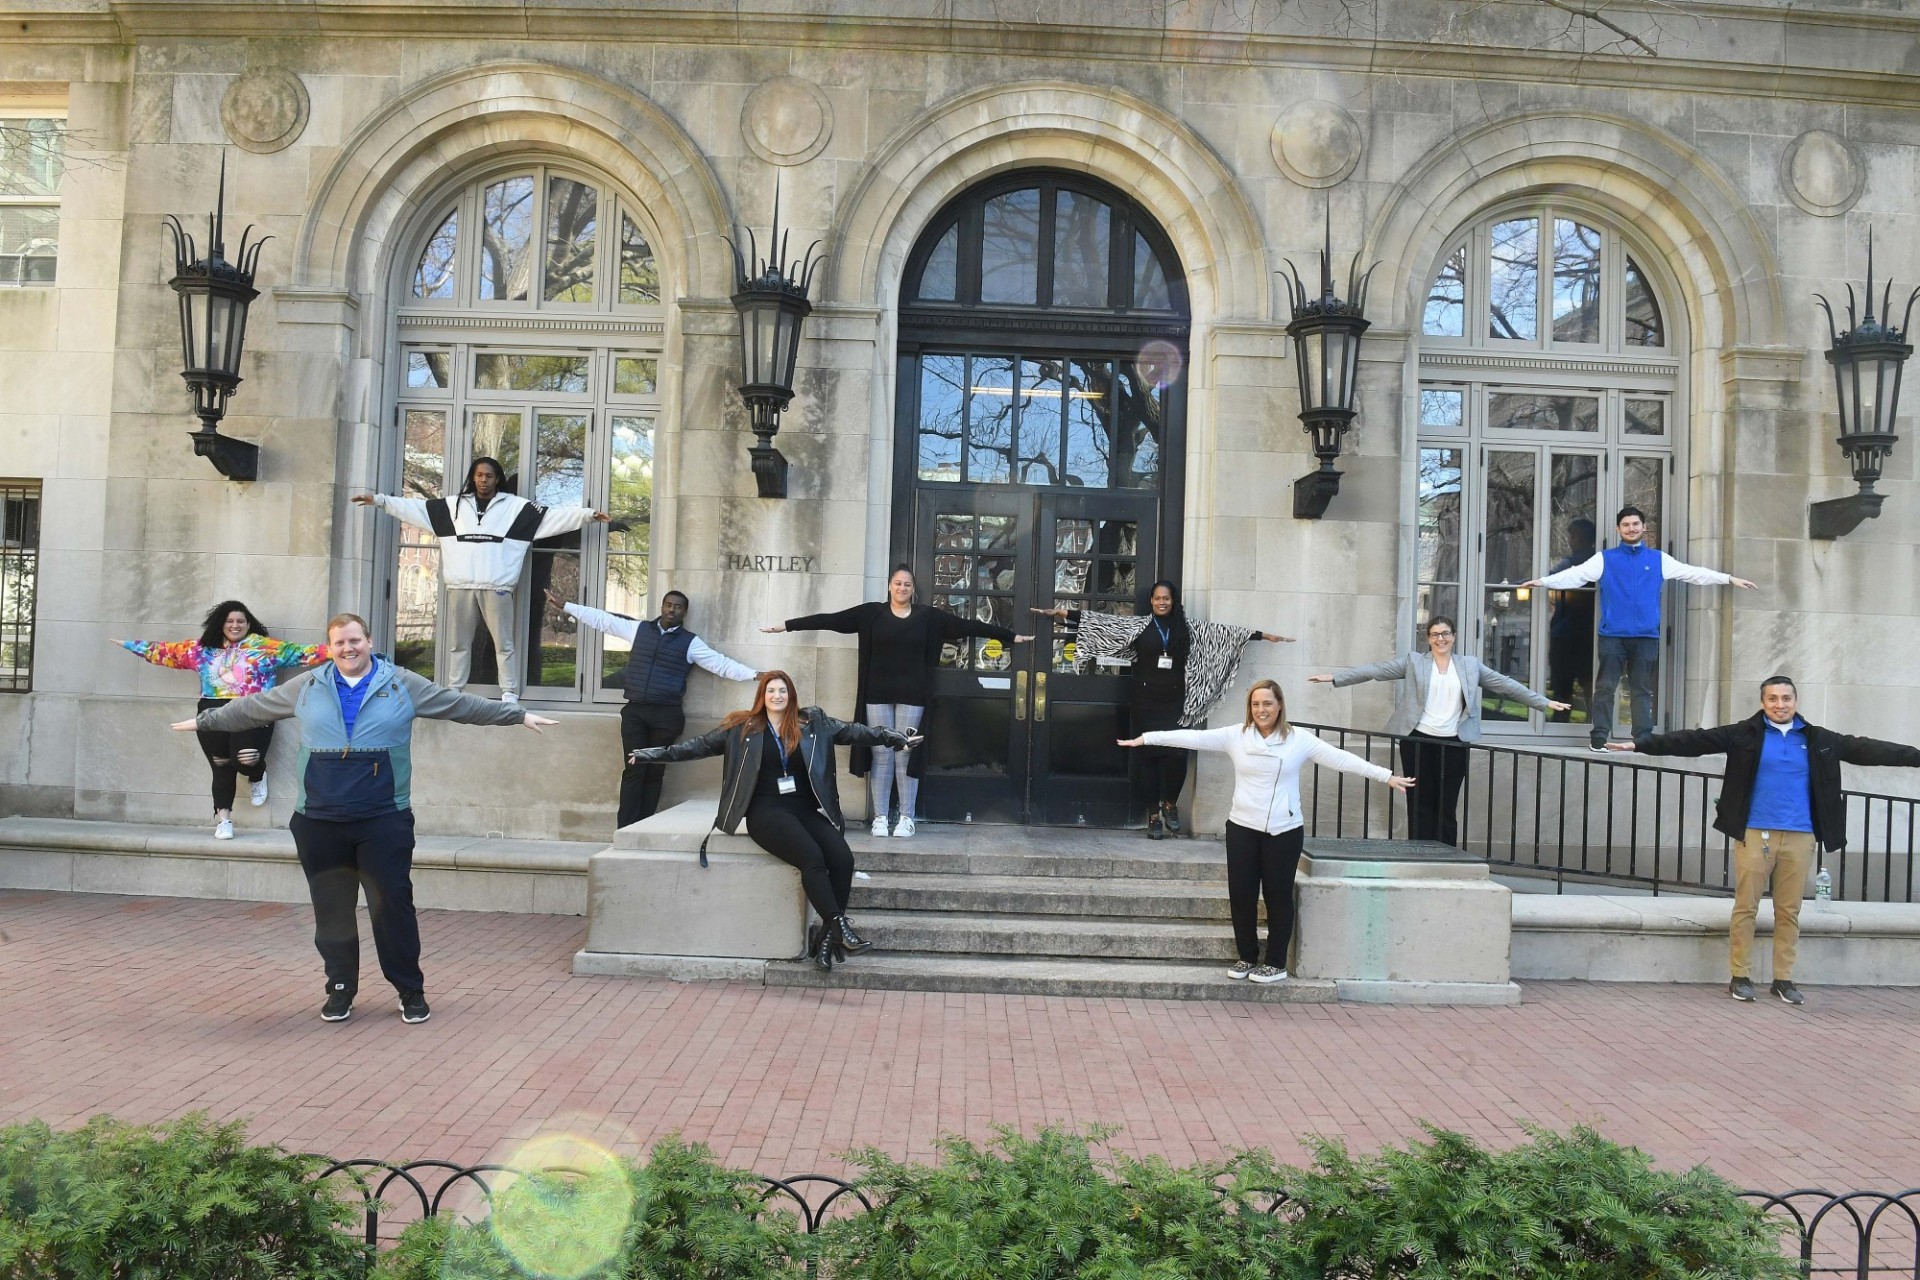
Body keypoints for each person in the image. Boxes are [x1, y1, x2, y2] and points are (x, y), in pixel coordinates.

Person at [174, 612, 555, 1025]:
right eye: (339, 643)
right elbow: (252, 708)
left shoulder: (401, 684)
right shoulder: (308, 685)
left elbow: (458, 704)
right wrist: (205, 721)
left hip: (382, 819)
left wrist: (515, 714)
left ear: (369, 641)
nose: (348, 649)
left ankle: (410, 989)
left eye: (354, 640)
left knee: (392, 906)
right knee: (332, 910)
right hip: (319, 820)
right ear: (330, 647)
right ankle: (340, 988)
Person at [1608, 675, 1920, 1007]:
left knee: (1789, 910)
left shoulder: (1820, 739)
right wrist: (1642, 744)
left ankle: (1783, 979)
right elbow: (1694, 741)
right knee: (1746, 907)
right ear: (1763, 703)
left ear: (1795, 702)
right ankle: (1739, 976)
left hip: (1800, 834)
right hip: (1756, 833)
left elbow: (1870, 749)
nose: (1779, 705)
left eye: (1786, 698)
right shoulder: (1744, 734)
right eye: (1772, 699)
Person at [1121, 680, 1413, 982]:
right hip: (1242, 828)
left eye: (1268, 703)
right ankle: (1246, 956)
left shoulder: (1299, 739)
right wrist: (1147, 738)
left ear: (1280, 705)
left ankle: (1275, 962)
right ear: (1250, 707)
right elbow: (1192, 737)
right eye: (1256, 704)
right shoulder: (1236, 735)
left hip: (1284, 831)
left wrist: (1386, 776)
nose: (1261, 710)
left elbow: (1340, 759)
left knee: (1277, 895)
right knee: (1242, 894)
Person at [629, 670, 920, 970]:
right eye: (771, 691)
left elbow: (854, 732)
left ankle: (827, 939)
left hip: (803, 810)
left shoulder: (813, 722)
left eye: (782, 691)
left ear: (791, 695)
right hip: (765, 812)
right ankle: (839, 928)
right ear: (762, 697)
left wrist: (891, 737)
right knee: (812, 857)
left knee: (842, 858)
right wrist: (653, 754)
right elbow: (697, 746)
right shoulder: (742, 728)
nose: (776, 696)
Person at [762, 566, 1031, 838]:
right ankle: (880, 817)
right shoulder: (871, 614)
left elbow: (969, 626)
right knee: (881, 756)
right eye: (898, 583)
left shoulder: (928, 617)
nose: (902, 588)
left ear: (913, 590)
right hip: (876, 697)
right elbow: (830, 620)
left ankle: (906, 817)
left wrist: (1010, 636)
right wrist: (786, 626)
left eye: (907, 585)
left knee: (904, 755)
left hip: (912, 699)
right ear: (890, 586)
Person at [1034, 580, 1292, 838]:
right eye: (1157, 598)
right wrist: (1062, 613)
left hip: (1176, 703)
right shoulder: (1140, 626)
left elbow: (1224, 634)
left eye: (1166, 598)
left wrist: (1262, 635)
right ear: (1151, 601)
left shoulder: (1187, 628)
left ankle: (1170, 804)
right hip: (1145, 702)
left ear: (1173, 600)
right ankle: (1153, 816)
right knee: (1147, 758)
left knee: (1177, 755)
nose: (1161, 602)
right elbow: (1104, 623)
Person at [352, 456, 610, 703]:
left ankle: (509, 692)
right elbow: (413, 508)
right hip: (460, 586)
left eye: (488, 475)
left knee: (504, 643)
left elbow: (553, 516)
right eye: (479, 475)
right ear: (472, 478)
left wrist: (587, 515)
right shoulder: (450, 507)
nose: (483, 480)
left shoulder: (515, 508)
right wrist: (379, 500)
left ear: (497, 479)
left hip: (496, 586)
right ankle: (455, 690)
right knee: (459, 644)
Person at [1308, 615, 1568, 846]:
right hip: (1417, 739)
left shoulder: (1470, 665)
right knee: (1419, 800)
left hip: (1454, 742)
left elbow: (1507, 685)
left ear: (1453, 637)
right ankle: (1419, 851)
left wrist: (1543, 702)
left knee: (1447, 801)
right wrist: (1335, 677)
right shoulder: (1414, 662)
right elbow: (1376, 670)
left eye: (1445, 633)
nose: (1440, 638)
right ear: (1428, 639)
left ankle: (1446, 854)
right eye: (1435, 634)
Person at [1521, 506, 1755, 750]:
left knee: (1641, 689)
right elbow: (1575, 575)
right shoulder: (1605, 558)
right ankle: (1599, 738)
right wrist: (1543, 582)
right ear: (1618, 529)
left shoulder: (1658, 559)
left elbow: (1693, 573)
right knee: (1605, 688)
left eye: (1635, 524)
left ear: (1644, 527)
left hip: (1646, 637)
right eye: (1626, 525)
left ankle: (1642, 741)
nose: (1631, 529)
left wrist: (1728, 578)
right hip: (1612, 636)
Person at [545, 587, 758, 828]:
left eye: (677, 606)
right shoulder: (639, 629)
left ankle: (643, 826)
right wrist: (566, 606)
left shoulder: (690, 642)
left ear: (684, 612)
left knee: (654, 772)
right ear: (662, 607)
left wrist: (756, 675)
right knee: (634, 769)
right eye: (668, 604)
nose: (672, 609)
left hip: (666, 715)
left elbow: (720, 664)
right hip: (636, 711)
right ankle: (625, 830)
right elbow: (603, 620)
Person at [116, 601, 326, 840]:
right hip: (212, 710)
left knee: (245, 758)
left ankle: (256, 774)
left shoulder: (263, 648)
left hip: (253, 708)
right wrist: (129, 645)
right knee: (221, 764)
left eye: (240, 621)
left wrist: (341, 652)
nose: (235, 625)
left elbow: (304, 653)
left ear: (249, 624)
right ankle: (224, 820)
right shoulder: (201, 649)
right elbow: (166, 652)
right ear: (220, 624)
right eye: (230, 621)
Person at [1544, 517, 1597, 721]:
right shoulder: (1597, 562)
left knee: (1562, 689)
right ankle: (1594, 727)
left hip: (1566, 635)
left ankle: (1559, 725)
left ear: (1578, 537)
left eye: (1571, 536)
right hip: (1589, 635)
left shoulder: (1570, 564)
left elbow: (1550, 577)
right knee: (1589, 688)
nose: (1569, 540)